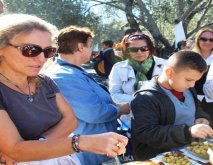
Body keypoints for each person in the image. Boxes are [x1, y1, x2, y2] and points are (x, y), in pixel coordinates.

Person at [0, 14, 127, 164]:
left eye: (48, 51)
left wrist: (37, 146)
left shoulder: (45, 82)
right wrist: (80, 142)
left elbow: (71, 121)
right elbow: (15, 149)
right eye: (31, 50)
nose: (41, 58)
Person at [44, 26, 130, 165]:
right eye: (90, 46)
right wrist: (120, 109)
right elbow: (94, 112)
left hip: (96, 149)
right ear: (80, 47)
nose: (92, 50)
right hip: (89, 154)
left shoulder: (72, 71)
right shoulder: (64, 76)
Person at [130, 51, 213, 160]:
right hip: (161, 158)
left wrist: (201, 117)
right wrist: (188, 132)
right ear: (170, 73)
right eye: (189, 80)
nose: (192, 85)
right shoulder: (144, 98)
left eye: (195, 81)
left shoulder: (188, 89)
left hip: (190, 154)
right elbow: (146, 133)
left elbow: (195, 107)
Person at [108, 33, 167, 127]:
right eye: (134, 50)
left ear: (150, 48)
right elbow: (114, 94)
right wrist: (141, 101)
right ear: (127, 50)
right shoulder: (118, 68)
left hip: (161, 116)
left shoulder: (165, 65)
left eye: (144, 48)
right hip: (130, 119)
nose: (139, 52)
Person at [192, 27, 213, 131]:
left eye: (212, 39)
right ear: (198, 40)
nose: (208, 42)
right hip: (194, 100)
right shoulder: (190, 57)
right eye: (204, 39)